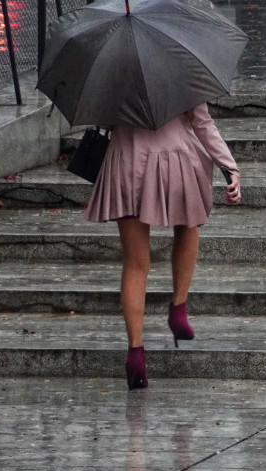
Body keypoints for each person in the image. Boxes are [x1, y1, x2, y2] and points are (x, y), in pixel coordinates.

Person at [85, 102, 242, 389]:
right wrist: (229, 166)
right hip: (177, 160)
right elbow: (201, 122)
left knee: (135, 264)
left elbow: (103, 121)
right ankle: (178, 307)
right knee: (189, 225)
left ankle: (135, 352)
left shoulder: (113, 70)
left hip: (126, 163)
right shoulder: (180, 64)